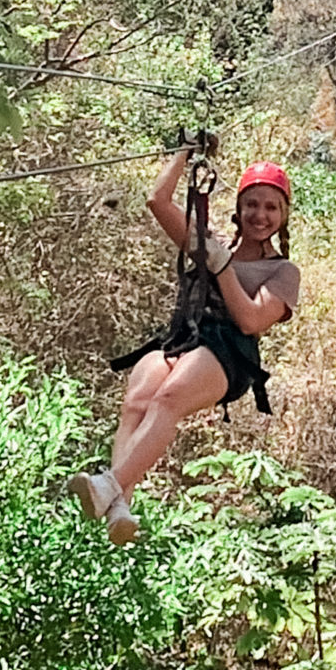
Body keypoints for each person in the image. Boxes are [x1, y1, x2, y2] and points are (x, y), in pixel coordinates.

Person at [70, 151, 300, 545]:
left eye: (270, 207)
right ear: (238, 207)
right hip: (184, 336)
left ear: (283, 215)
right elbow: (158, 200)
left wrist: (222, 265)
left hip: (229, 352)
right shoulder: (209, 243)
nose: (260, 215)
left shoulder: (282, 271)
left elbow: (250, 320)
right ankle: (119, 509)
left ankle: (109, 485)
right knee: (137, 402)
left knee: (168, 399)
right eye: (251, 204)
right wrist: (186, 153)